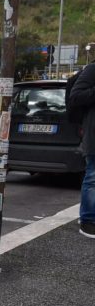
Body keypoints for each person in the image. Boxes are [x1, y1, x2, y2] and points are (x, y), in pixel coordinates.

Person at [68, 64, 95, 238]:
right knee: (93, 177)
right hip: (94, 133)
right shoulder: (93, 69)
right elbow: (76, 97)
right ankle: (88, 221)